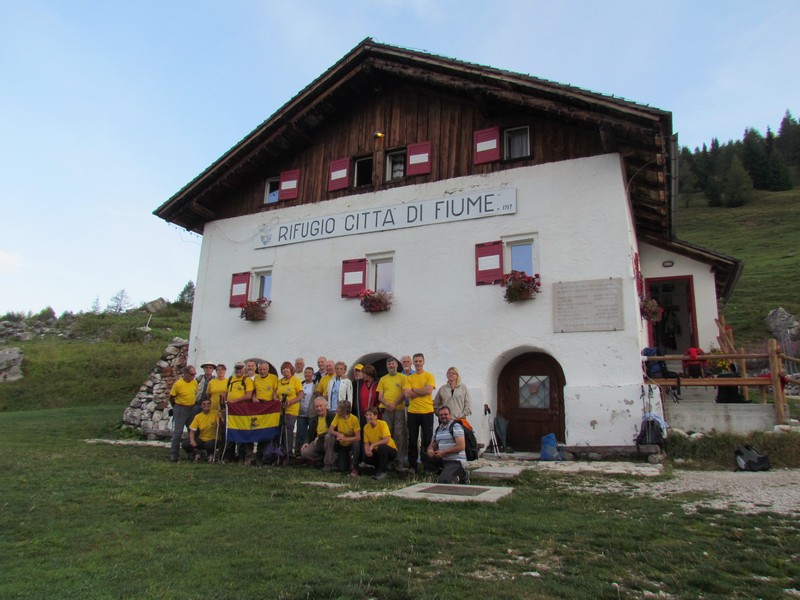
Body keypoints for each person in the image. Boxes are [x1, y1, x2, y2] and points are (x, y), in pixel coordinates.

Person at [404, 353, 435, 473]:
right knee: (412, 440)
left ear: (423, 362)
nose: (418, 363)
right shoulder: (410, 378)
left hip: (427, 411)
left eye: (420, 361)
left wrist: (415, 390)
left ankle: (427, 465)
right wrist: (422, 391)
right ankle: (413, 466)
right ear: (413, 363)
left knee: (427, 440)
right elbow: (407, 394)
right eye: (416, 361)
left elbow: (429, 390)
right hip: (413, 412)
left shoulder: (429, 376)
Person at [423, 406, 469, 484]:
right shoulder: (438, 429)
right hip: (443, 460)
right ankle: (440, 474)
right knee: (425, 456)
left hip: (455, 461)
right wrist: (430, 449)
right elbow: (432, 444)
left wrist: (444, 452)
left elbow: (461, 446)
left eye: (445, 414)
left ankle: (463, 475)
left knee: (444, 482)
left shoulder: (455, 427)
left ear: (450, 415)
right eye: (441, 415)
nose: (443, 416)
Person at [377, 357, 408, 471]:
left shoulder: (403, 377)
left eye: (393, 364)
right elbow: (380, 396)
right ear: (387, 366)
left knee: (399, 434)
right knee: (387, 435)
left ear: (397, 365)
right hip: (386, 410)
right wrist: (387, 404)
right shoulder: (383, 379)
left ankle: (400, 461)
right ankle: (389, 461)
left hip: (399, 409)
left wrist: (394, 403)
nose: (391, 366)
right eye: (389, 364)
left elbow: (405, 393)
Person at [169, 365, 198, 462]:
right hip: (181, 408)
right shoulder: (178, 384)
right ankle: (174, 454)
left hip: (191, 408)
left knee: (192, 431)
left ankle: (191, 453)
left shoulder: (194, 382)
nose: (193, 376)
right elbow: (172, 397)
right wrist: (176, 408)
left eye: (195, 374)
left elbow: (195, 393)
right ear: (185, 374)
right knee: (178, 432)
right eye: (191, 374)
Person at [226, 362, 254, 462]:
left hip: (243, 410)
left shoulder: (247, 380)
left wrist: (234, 401)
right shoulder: (230, 379)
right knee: (233, 431)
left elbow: (248, 395)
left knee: (244, 432)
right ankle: (235, 456)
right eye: (237, 369)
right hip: (231, 411)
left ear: (244, 369)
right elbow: (227, 392)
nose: (238, 371)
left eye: (240, 369)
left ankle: (246, 456)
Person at [324, 400, 361, 476]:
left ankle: (355, 466)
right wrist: (337, 434)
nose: (337, 409)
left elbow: (358, 437)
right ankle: (333, 462)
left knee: (356, 444)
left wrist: (345, 439)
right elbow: (330, 430)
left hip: (350, 444)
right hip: (342, 445)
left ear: (344, 410)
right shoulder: (337, 417)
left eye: (339, 408)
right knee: (342, 468)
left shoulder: (354, 419)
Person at [276, 361, 304, 458]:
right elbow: (275, 394)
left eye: (287, 368)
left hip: (291, 410)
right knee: (280, 430)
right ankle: (281, 452)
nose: (285, 370)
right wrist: (277, 401)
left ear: (291, 369)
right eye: (283, 369)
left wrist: (290, 402)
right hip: (280, 410)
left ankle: (288, 452)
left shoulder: (296, 381)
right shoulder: (279, 381)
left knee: (288, 429)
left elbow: (300, 395)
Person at [361, 407, 397, 480]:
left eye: (370, 415)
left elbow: (387, 439)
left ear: (375, 416)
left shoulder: (382, 424)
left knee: (382, 447)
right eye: (366, 415)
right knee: (365, 456)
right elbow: (366, 443)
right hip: (377, 450)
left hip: (390, 449)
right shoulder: (366, 427)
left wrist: (373, 445)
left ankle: (383, 472)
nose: (368, 417)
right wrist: (367, 451)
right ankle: (379, 468)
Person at [300, 397, 334, 466]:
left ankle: (328, 463)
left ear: (326, 406)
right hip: (318, 442)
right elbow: (309, 433)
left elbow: (333, 432)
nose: (319, 408)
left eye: (320, 406)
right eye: (316, 406)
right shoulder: (314, 419)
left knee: (328, 437)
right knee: (304, 452)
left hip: (329, 442)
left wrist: (320, 436)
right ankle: (322, 459)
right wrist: (306, 442)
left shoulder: (332, 417)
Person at [296, 366, 316, 455]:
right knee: (301, 433)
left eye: (309, 372)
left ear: (312, 374)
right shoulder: (301, 384)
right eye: (306, 372)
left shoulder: (316, 385)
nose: (307, 374)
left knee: (310, 433)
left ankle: (309, 452)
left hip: (311, 412)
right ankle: (298, 453)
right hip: (301, 413)